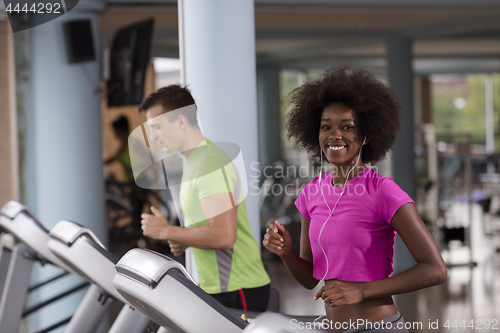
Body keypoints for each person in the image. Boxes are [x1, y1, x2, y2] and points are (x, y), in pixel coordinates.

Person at [263, 66, 447, 332]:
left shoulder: (383, 191)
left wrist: (362, 291)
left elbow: (435, 269)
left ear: (365, 135)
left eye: (347, 127)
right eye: (326, 127)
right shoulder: (310, 193)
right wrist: (286, 252)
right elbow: (309, 278)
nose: (334, 135)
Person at [138, 85, 271, 312]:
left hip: (239, 288)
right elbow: (208, 228)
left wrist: (165, 231)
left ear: (180, 122)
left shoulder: (209, 163)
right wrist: (183, 238)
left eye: (157, 127)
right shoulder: (195, 162)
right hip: (220, 287)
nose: (153, 136)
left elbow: (223, 235)